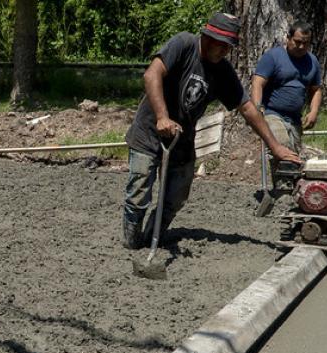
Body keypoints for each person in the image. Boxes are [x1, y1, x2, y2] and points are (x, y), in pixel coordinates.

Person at [122, 12, 301, 249]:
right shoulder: (184, 44)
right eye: (222, 45)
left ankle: (153, 237)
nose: (225, 51)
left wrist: (275, 146)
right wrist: (162, 116)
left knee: (176, 197)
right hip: (150, 132)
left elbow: (247, 109)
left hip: (182, 140)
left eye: (229, 47)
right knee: (139, 192)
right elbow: (152, 74)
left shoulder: (222, 71)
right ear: (207, 37)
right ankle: (132, 244)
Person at [251, 20, 322, 160]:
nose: (301, 46)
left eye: (306, 43)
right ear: (288, 38)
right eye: (297, 42)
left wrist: (314, 112)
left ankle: (286, 181)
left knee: (293, 156)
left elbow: (316, 90)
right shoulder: (273, 57)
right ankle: (283, 179)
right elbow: (257, 83)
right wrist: (257, 108)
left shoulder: (312, 62)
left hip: (295, 119)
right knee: (283, 148)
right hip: (273, 114)